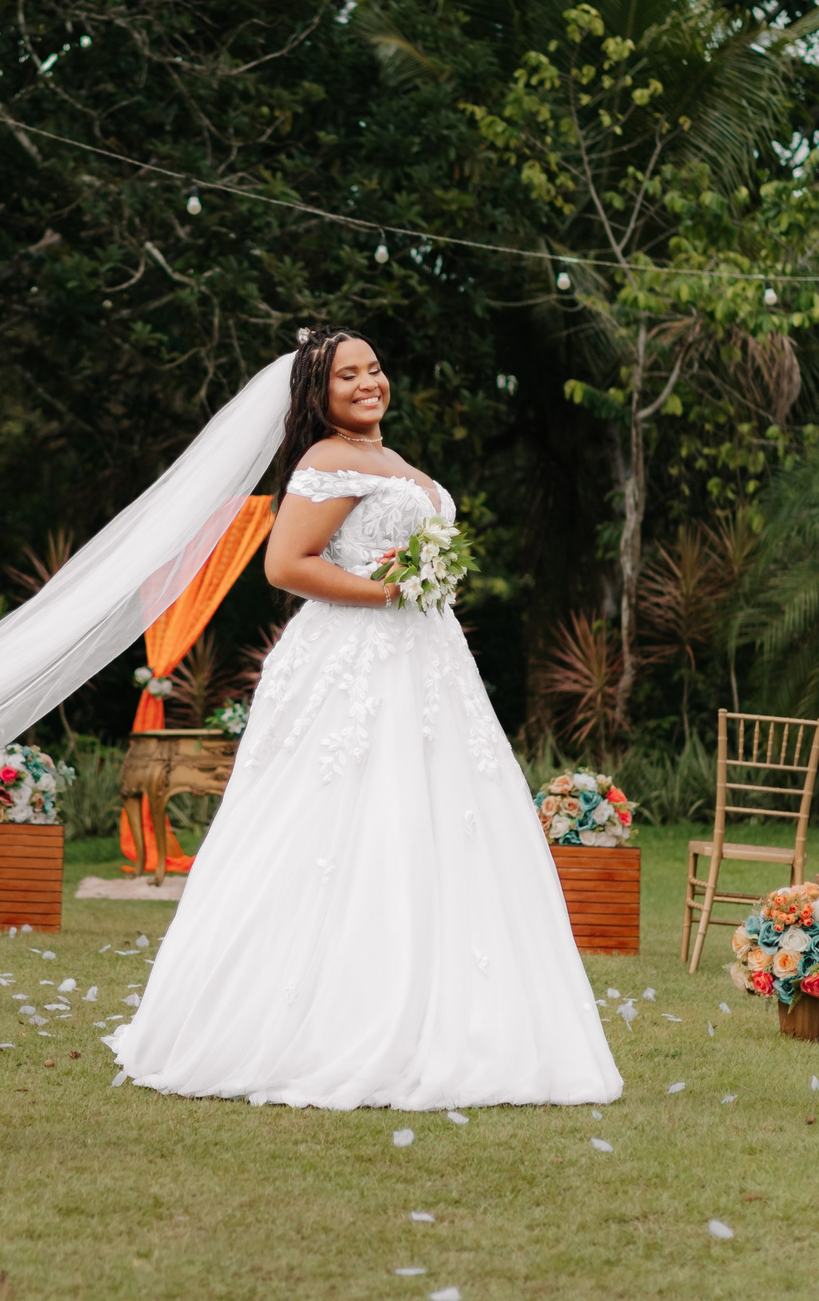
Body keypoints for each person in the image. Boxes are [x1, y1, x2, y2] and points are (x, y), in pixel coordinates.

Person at [107, 327, 624, 1110]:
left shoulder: (390, 460)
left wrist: (421, 588)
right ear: (318, 395)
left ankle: (460, 1016)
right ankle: (317, 1021)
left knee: (443, 822)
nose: (367, 383)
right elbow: (287, 565)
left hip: (427, 665)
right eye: (347, 375)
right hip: (358, 665)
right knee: (344, 822)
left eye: (374, 368)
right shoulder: (327, 460)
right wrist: (392, 592)